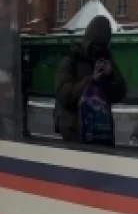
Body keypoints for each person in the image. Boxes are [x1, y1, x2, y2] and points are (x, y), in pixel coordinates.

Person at [54, 15, 127, 143]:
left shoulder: (106, 60)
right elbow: (64, 95)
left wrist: (110, 76)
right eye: (96, 45)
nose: (99, 50)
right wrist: (90, 81)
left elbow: (120, 93)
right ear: (89, 41)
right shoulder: (71, 61)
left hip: (101, 130)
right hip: (75, 131)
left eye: (103, 46)